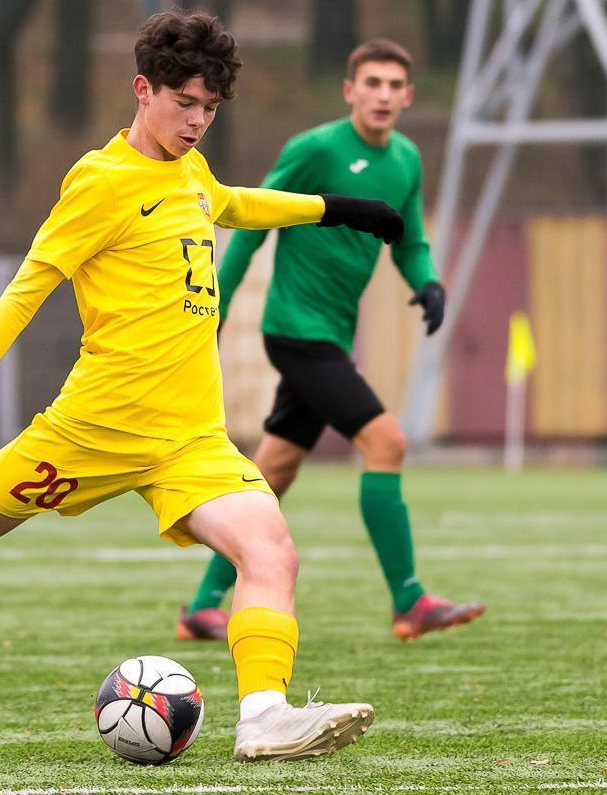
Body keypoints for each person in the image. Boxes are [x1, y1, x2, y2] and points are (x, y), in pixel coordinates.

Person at [0, 11, 406, 762]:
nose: (197, 122)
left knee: (271, 550)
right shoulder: (99, 182)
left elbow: (236, 203)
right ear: (143, 90)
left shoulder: (190, 170)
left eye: (210, 108)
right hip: (94, 429)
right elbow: (23, 295)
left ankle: (265, 716)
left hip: (190, 439)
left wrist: (339, 211)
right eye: (184, 103)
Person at [177, 39, 485, 645]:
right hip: (295, 331)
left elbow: (410, 241)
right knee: (387, 442)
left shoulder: (406, 160)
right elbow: (247, 227)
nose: (383, 95)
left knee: (274, 470)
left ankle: (202, 606)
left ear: (408, 96)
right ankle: (410, 601)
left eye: (394, 86)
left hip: (332, 338)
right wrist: (216, 307)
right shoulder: (314, 149)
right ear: (350, 91)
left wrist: (427, 283)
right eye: (372, 83)